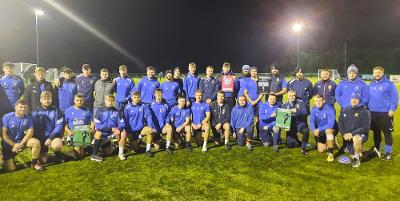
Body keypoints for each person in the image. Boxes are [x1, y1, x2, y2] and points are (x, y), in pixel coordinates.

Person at [1, 100, 42, 171]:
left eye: (25, 107)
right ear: (15, 108)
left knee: (36, 142)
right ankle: (5, 158)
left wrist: (20, 144)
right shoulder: (7, 117)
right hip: (8, 144)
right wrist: (13, 144)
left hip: (20, 142)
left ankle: (34, 163)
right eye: (21, 107)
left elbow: (30, 133)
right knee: (11, 169)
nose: (23, 109)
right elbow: (3, 134)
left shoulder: (28, 118)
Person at [368, 66, 399, 160]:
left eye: (379, 72)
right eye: (375, 72)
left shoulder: (389, 84)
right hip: (372, 113)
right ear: (373, 74)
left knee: (387, 133)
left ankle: (388, 153)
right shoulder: (371, 84)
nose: (377, 74)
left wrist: (392, 109)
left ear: (383, 73)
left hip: (385, 113)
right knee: (376, 132)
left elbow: (395, 98)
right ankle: (377, 150)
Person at [338, 93, 371, 167]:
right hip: (348, 136)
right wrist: (344, 133)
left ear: (359, 100)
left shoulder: (365, 112)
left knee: (356, 138)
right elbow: (340, 123)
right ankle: (371, 152)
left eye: (356, 99)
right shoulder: (345, 109)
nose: (354, 100)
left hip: (360, 134)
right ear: (350, 99)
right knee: (352, 154)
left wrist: (352, 134)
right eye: (353, 98)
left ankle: (357, 160)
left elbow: (366, 128)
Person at [32, 91, 64, 164]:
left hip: (52, 137)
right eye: (45, 99)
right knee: (43, 161)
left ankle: (58, 153)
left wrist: (50, 138)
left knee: (57, 145)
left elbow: (59, 126)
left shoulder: (57, 111)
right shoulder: (34, 112)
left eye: (48, 99)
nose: (47, 101)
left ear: (51, 100)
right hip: (41, 139)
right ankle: (43, 152)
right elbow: (32, 127)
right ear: (40, 100)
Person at [121, 91, 156, 157]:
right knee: (136, 149)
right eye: (135, 97)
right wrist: (128, 131)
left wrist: (151, 126)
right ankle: (131, 142)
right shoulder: (127, 107)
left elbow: (149, 116)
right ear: (131, 97)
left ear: (140, 97)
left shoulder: (144, 106)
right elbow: (125, 120)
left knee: (150, 131)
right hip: (131, 130)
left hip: (141, 129)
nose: (136, 99)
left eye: (138, 97)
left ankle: (148, 150)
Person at [92, 95, 125, 161]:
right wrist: (110, 129)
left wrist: (119, 129)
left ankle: (120, 153)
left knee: (123, 133)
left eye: (112, 101)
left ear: (114, 102)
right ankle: (94, 154)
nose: (110, 102)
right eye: (108, 100)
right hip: (103, 134)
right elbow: (97, 126)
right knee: (98, 133)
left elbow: (122, 123)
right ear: (105, 101)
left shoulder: (118, 111)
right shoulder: (99, 111)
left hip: (112, 134)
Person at [64, 94, 94, 159]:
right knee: (79, 156)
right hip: (74, 134)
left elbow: (92, 121)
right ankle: (73, 142)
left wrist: (91, 128)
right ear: (74, 101)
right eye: (77, 100)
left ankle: (87, 146)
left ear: (83, 101)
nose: (79, 102)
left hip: (85, 133)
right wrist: (68, 131)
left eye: (81, 100)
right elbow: (63, 125)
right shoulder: (68, 111)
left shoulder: (87, 110)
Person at [309, 95, 338, 162]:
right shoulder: (313, 109)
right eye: (316, 101)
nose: (318, 103)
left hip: (331, 129)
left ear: (324, 101)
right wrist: (314, 130)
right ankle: (331, 142)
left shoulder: (330, 109)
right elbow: (311, 122)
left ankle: (330, 154)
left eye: (320, 101)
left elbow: (331, 125)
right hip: (320, 130)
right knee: (321, 150)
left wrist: (318, 129)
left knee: (328, 131)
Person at [281, 90, 310, 155]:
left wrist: (297, 110)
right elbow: (282, 118)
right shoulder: (284, 105)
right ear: (287, 96)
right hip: (290, 125)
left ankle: (303, 148)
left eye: (293, 96)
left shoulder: (300, 102)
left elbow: (305, 112)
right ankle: (298, 141)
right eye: (290, 96)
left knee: (306, 131)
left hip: (300, 123)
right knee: (291, 145)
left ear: (295, 96)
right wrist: (285, 126)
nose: (292, 97)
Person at [149, 89, 173, 154]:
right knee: (157, 148)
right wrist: (151, 126)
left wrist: (167, 122)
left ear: (162, 94)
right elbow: (148, 116)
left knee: (169, 128)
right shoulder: (151, 104)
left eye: (160, 93)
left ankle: (168, 147)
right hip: (155, 128)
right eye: (157, 93)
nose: (158, 94)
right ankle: (156, 138)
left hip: (163, 127)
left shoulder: (166, 104)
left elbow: (169, 114)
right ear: (154, 95)